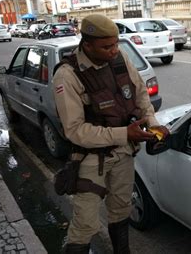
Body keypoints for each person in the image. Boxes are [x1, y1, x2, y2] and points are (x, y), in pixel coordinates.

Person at [52, 14, 169, 254]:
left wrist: (152, 123)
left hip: (124, 153)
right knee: (85, 224)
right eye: (106, 46)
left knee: (121, 209)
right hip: (89, 159)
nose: (114, 50)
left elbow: (141, 96)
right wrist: (124, 134)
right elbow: (74, 131)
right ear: (87, 45)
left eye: (116, 43)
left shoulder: (120, 58)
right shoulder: (67, 75)